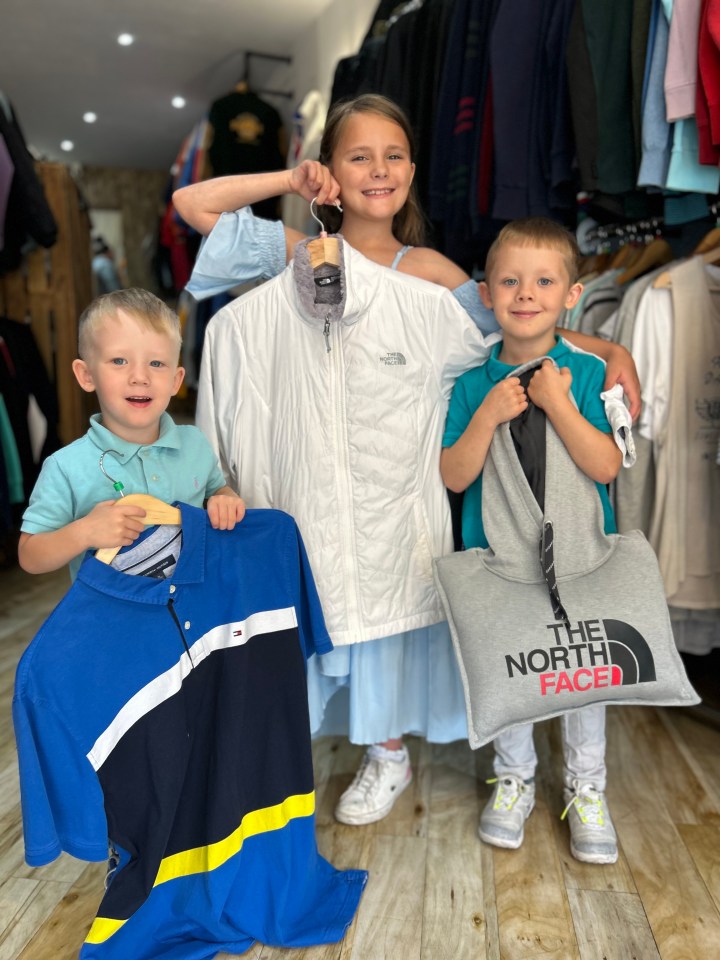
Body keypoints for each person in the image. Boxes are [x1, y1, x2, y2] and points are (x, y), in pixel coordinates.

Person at [172, 95, 640, 828]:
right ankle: (381, 748)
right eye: (358, 156)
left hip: (399, 470)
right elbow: (191, 204)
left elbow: (519, 325)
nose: (378, 171)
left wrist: (607, 348)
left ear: (414, 171)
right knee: (327, 597)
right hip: (315, 469)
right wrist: (290, 182)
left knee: (388, 617)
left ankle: (389, 752)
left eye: (393, 156)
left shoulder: (426, 271)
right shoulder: (299, 250)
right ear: (331, 168)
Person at [440, 217, 623, 864]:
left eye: (544, 281)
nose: (525, 293)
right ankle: (514, 777)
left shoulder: (587, 372)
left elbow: (605, 466)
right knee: (514, 672)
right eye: (509, 281)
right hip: (500, 559)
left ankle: (587, 788)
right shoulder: (468, 384)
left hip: (581, 558)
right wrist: (489, 412)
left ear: (572, 295)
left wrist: (562, 404)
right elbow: (454, 475)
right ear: (485, 294)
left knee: (585, 676)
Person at [18, 288, 245, 580]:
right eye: (119, 361)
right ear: (86, 375)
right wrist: (84, 531)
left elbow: (216, 490)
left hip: (194, 617)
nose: (140, 377)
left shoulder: (195, 444)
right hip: (114, 622)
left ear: (176, 381)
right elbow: (30, 555)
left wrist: (225, 499)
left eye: (156, 363)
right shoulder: (65, 467)